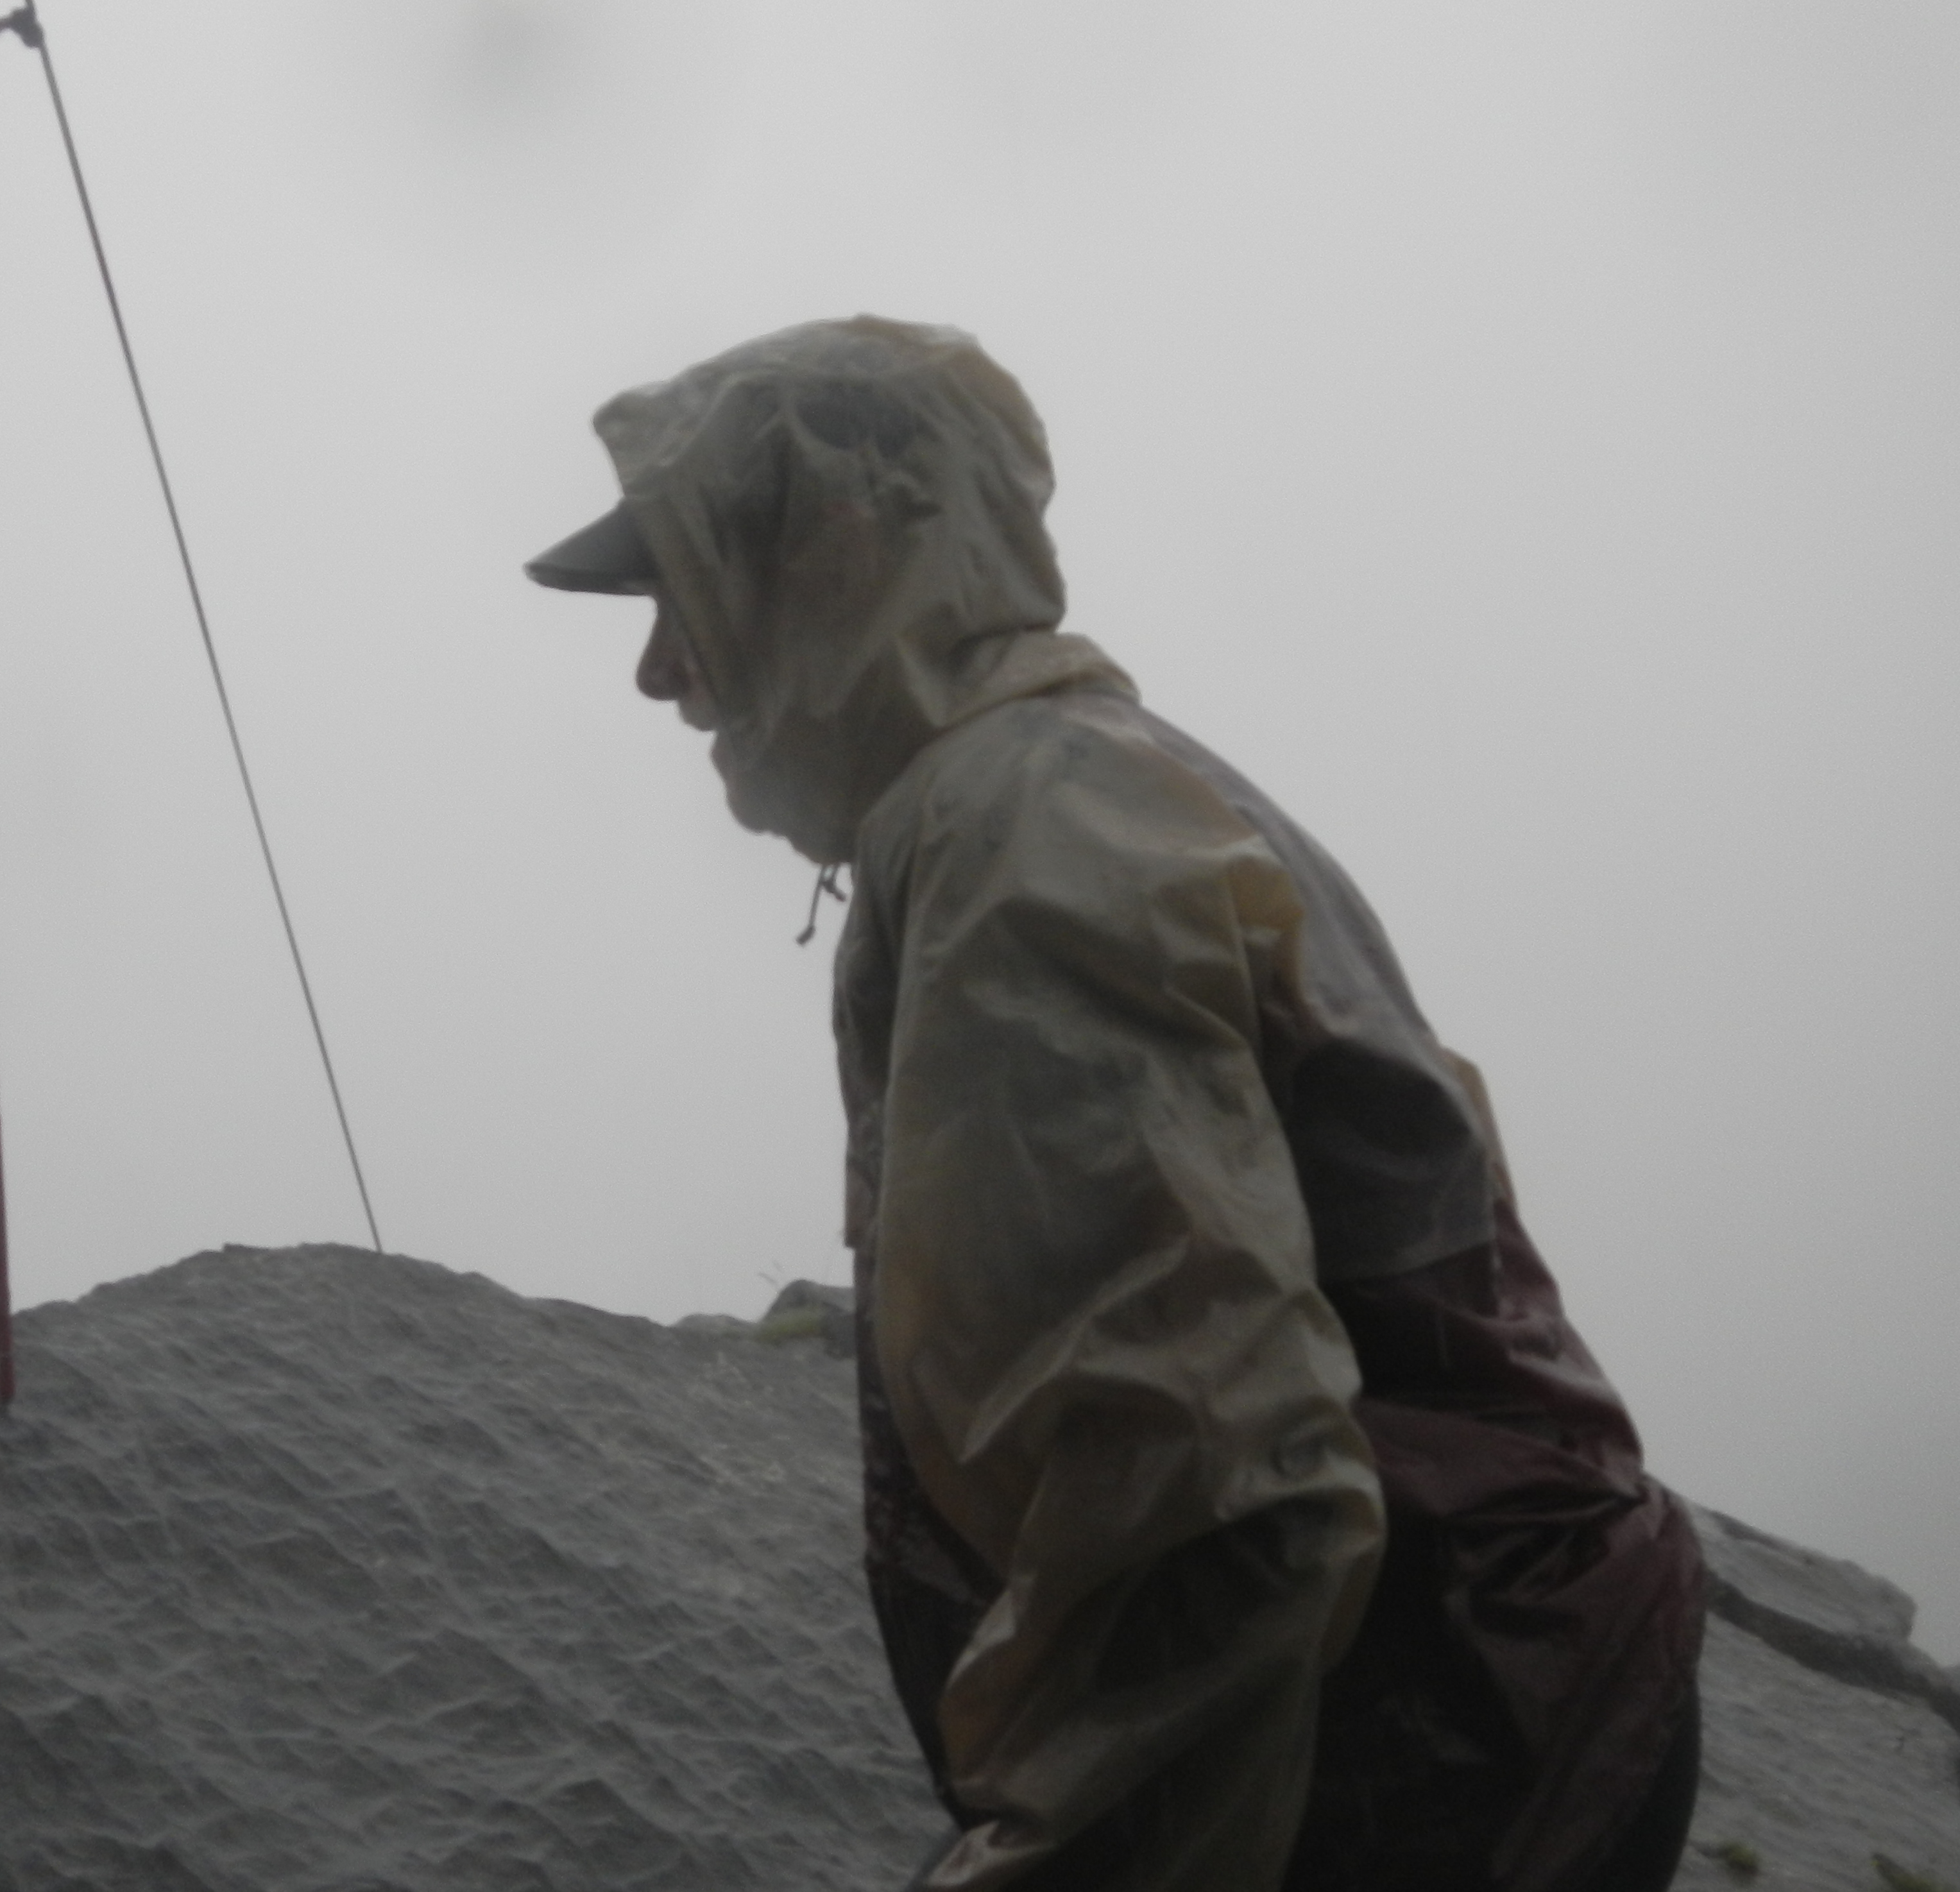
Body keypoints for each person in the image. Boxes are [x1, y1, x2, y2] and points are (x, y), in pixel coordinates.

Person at [527, 318, 1705, 1892]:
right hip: (1490, 1673)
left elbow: (1194, 1473)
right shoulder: (1075, 773)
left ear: (839, 552)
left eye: (687, 584)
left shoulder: (1017, 830)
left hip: (1421, 1727)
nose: (658, 666)